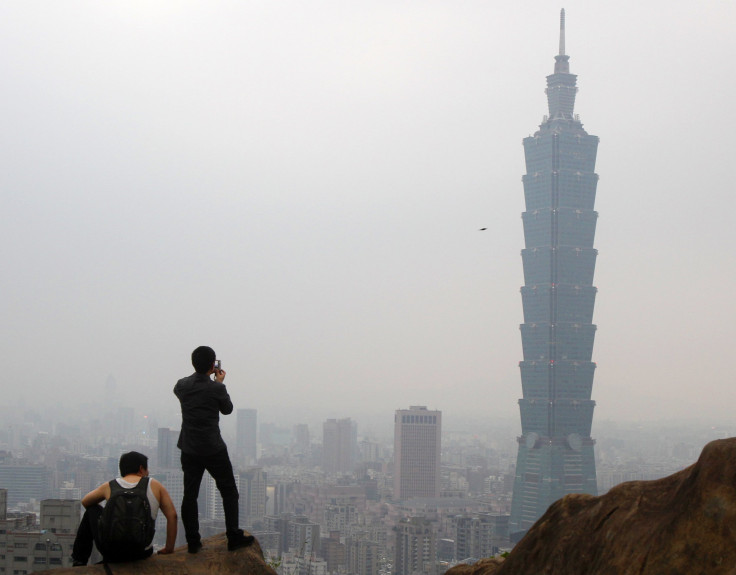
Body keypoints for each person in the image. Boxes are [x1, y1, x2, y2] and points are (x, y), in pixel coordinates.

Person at [174, 346, 254, 553]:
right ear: (213, 365)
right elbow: (227, 409)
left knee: (190, 495)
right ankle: (233, 537)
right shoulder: (216, 388)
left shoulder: (181, 386)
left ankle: (193, 542)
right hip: (213, 448)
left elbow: (182, 392)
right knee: (229, 491)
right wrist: (218, 382)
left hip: (189, 447)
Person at [71, 451, 177, 566]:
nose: (148, 472)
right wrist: (169, 548)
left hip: (111, 552)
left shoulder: (111, 485)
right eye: (147, 469)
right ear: (141, 469)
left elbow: (86, 502)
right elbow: (173, 516)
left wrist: (106, 515)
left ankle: (79, 561)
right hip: (141, 552)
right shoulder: (155, 485)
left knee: (91, 510)